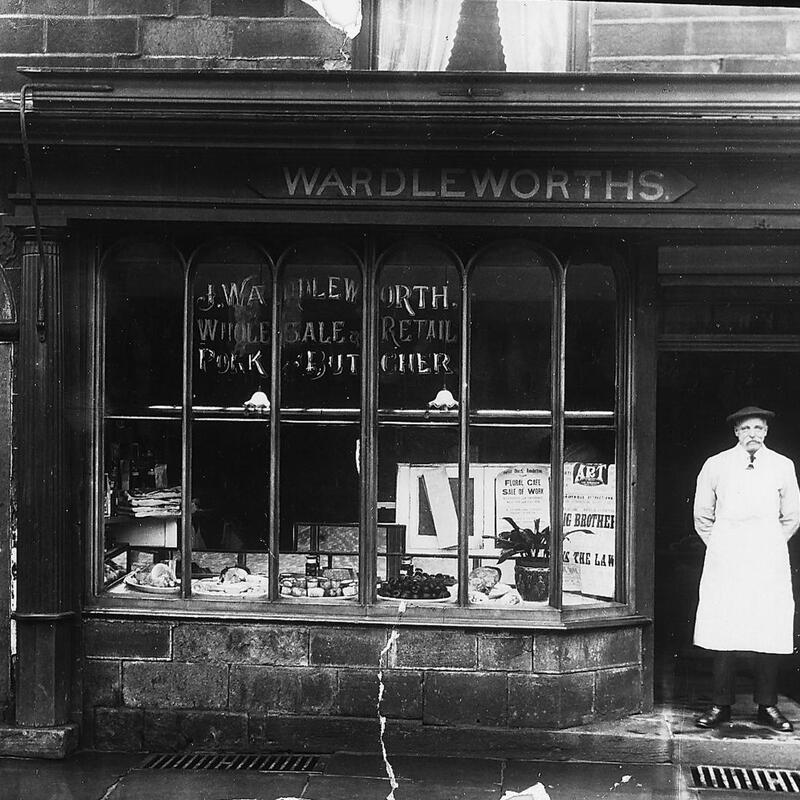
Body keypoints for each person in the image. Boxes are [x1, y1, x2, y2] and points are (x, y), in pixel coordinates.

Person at [693, 406, 800, 732]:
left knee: (768, 625)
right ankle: (720, 705)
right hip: (727, 558)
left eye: (759, 427)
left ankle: (767, 705)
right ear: (736, 432)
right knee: (724, 625)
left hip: (768, 558)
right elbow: (702, 516)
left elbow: (792, 515)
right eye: (747, 428)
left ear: (766, 431)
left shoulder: (783, 466)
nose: (753, 433)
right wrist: (725, 546)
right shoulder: (716, 465)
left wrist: (767, 545)